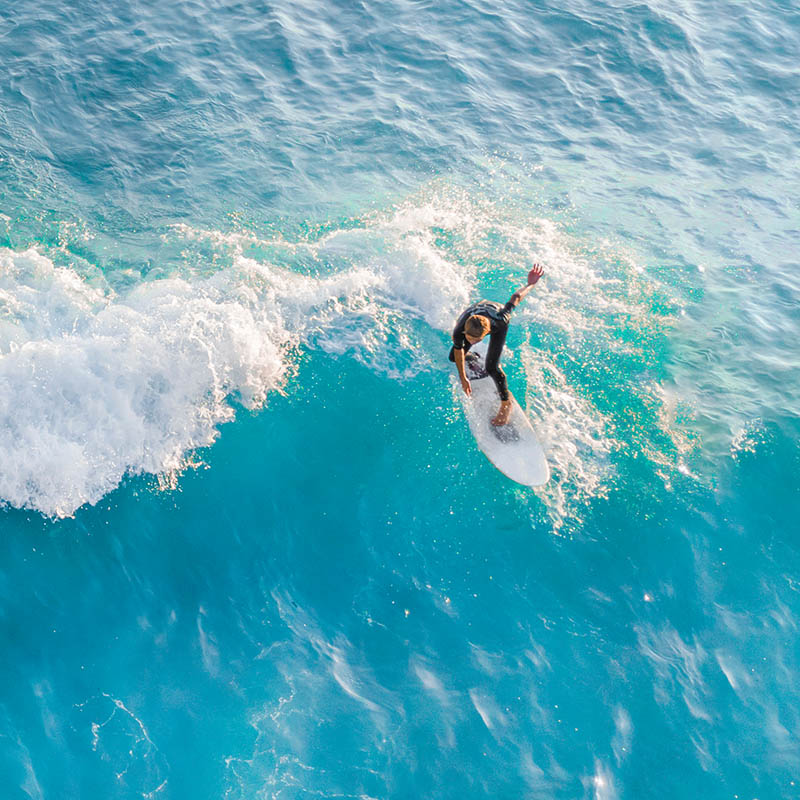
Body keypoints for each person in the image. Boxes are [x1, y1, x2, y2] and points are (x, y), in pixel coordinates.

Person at [449, 264, 544, 426]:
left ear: (484, 335)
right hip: (475, 313)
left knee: (492, 367)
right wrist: (463, 377)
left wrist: (531, 284)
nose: (471, 342)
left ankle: (506, 404)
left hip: (495, 317)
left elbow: (516, 298)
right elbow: (458, 350)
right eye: (469, 339)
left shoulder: (501, 318)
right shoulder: (460, 330)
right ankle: (472, 357)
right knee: (454, 356)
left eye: (475, 341)